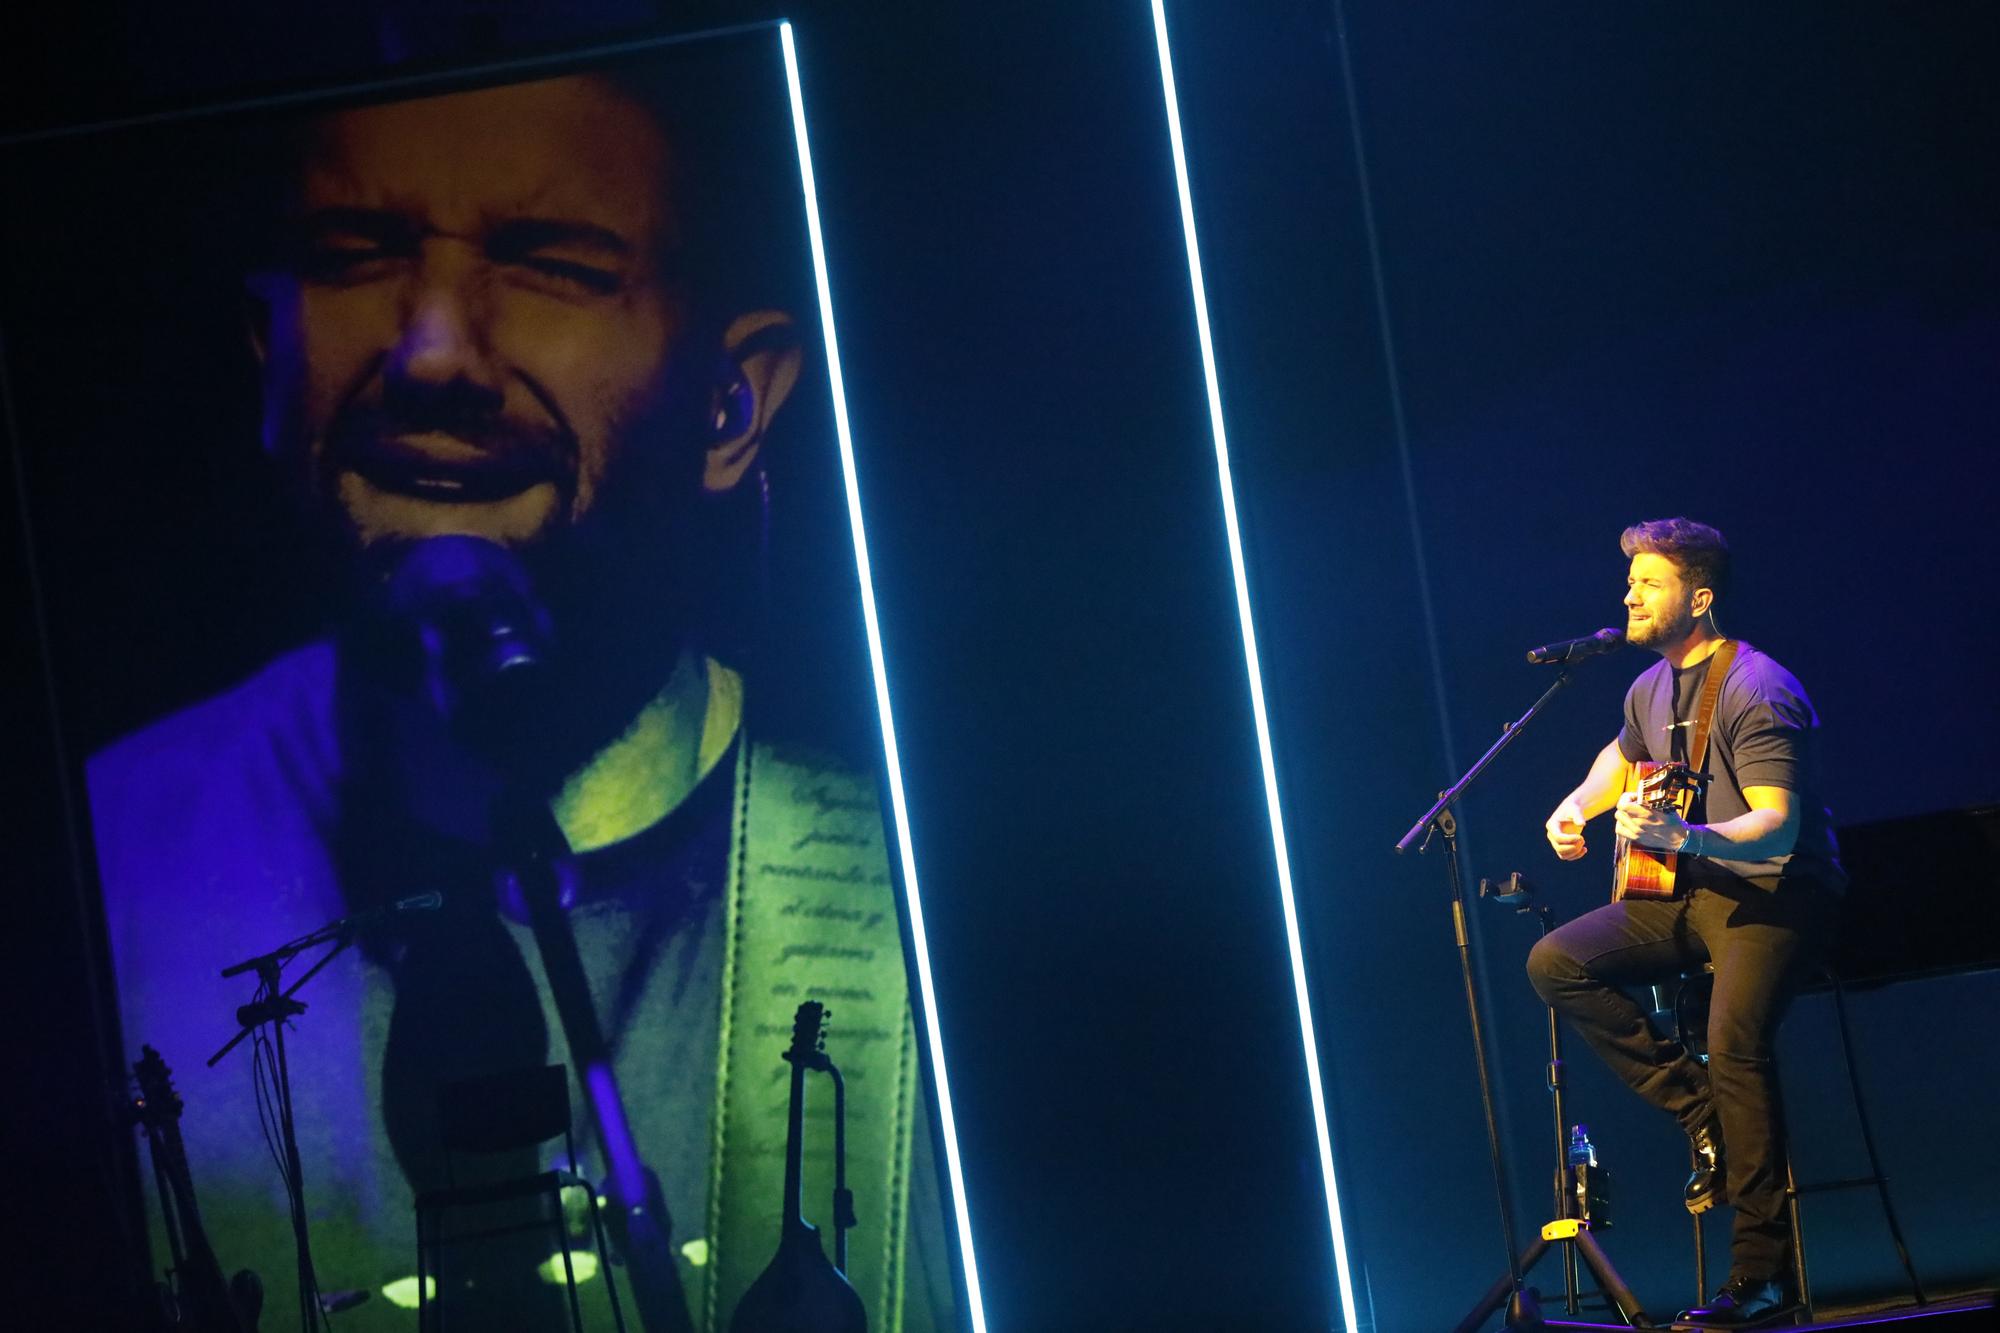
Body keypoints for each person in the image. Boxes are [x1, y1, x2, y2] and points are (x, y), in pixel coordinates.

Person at [86, 66, 950, 1332]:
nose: (431, 350)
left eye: (552, 263)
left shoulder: (907, 882)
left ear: (733, 405)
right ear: (267, 351)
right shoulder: (98, 867)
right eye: (355, 252)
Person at [1526, 518, 1844, 1330]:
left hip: (1775, 895)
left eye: (1649, 582)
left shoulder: (1757, 686)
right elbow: (1622, 755)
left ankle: (1762, 1277)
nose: (1628, 593)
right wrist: (1577, 805)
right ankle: (1700, 1112)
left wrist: (1684, 836)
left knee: (1736, 1042)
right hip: (1692, 892)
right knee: (1556, 961)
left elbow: (1774, 827)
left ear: (1698, 597)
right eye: (1629, 580)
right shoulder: (1649, 687)